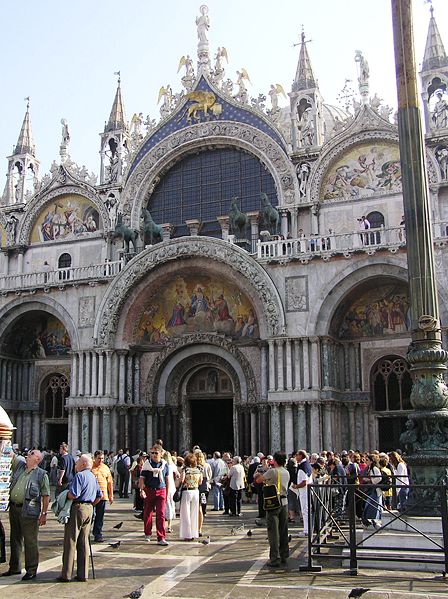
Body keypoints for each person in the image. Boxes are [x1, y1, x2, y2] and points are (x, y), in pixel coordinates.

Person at [2, 449, 50, 581]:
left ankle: (31, 569)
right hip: (14, 508)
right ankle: (14, 567)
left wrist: (44, 514)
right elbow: (10, 454)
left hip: (29, 511)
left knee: (30, 541)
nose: (28, 455)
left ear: (37, 459)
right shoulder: (20, 467)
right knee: (15, 538)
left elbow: (46, 496)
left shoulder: (41, 474)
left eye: (31, 454)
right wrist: (4, 440)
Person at [57, 454, 102, 583]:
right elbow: (99, 495)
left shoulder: (79, 476)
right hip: (89, 509)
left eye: (77, 463)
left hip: (78, 508)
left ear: (83, 464)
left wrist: (65, 494)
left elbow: (73, 494)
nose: (75, 465)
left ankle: (66, 574)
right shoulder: (93, 476)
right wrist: (90, 505)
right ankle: (83, 574)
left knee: (71, 541)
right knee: (84, 541)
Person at [254, 451, 290, 568]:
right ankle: (284, 554)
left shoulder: (273, 471)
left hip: (274, 504)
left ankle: (275, 558)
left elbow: (259, 480)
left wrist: (258, 475)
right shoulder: (286, 472)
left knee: (273, 532)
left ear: (274, 460)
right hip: (285, 502)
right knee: (283, 529)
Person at [139, 445, 170, 545]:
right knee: (148, 513)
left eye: (156, 453)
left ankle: (161, 537)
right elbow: (142, 478)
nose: (154, 455)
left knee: (161, 514)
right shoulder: (147, 465)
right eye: (152, 453)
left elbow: (167, 480)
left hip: (161, 490)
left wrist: (167, 494)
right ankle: (147, 533)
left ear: (161, 454)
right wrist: (141, 490)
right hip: (149, 490)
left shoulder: (165, 465)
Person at [179, 453, 203, 541]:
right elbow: (200, 482)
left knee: (185, 513)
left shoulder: (185, 470)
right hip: (196, 491)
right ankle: (194, 533)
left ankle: (187, 534)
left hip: (187, 491)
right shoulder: (198, 470)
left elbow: (181, 480)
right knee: (194, 513)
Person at [91, 450, 114, 543]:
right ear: (94, 458)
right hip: (91, 496)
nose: (101, 460)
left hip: (103, 496)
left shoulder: (106, 468)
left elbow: (110, 482)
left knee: (100, 516)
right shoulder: (90, 466)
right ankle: (85, 533)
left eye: (102, 458)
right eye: (99, 458)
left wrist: (111, 495)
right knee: (91, 515)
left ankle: (98, 534)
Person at [291, 450, 312, 537]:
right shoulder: (307, 464)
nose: (295, 457)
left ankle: (307, 530)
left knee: (305, 511)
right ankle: (307, 529)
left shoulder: (303, 466)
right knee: (306, 510)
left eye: (297, 455)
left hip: (304, 491)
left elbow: (304, 482)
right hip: (306, 491)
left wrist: (296, 486)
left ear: (301, 456)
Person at [362, 454, 383, 528]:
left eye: (367, 460)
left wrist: (370, 480)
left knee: (374, 506)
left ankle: (375, 521)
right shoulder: (368, 468)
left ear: (371, 461)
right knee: (369, 506)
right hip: (370, 490)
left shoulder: (375, 468)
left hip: (375, 490)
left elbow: (379, 478)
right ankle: (370, 521)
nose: (365, 461)